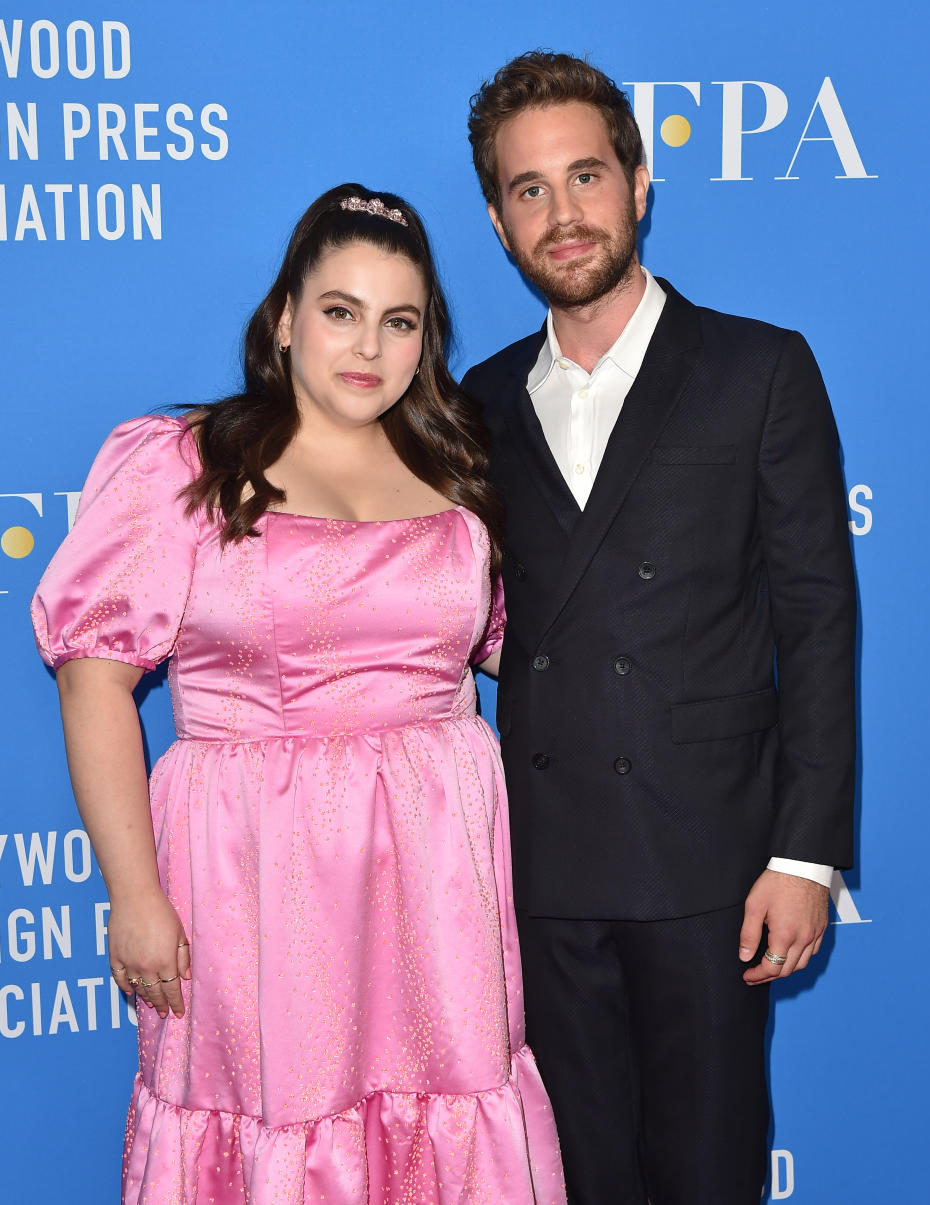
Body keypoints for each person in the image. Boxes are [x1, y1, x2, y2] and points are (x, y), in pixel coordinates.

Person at [32, 183, 565, 1204]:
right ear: (285, 319)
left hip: (434, 880)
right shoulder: (188, 466)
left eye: (399, 320)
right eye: (339, 310)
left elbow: (521, 653)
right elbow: (93, 675)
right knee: (270, 1117)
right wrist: (134, 894)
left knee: (448, 1105)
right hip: (255, 878)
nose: (368, 345)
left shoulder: (455, 472)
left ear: (425, 340)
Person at [462, 52, 856, 1205]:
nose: (563, 212)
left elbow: (818, 617)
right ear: (496, 220)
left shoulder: (757, 368)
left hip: (709, 864)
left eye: (586, 176)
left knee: (705, 1174)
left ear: (639, 183)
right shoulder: (474, 402)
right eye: (530, 190)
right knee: (580, 1178)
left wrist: (803, 853)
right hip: (541, 867)